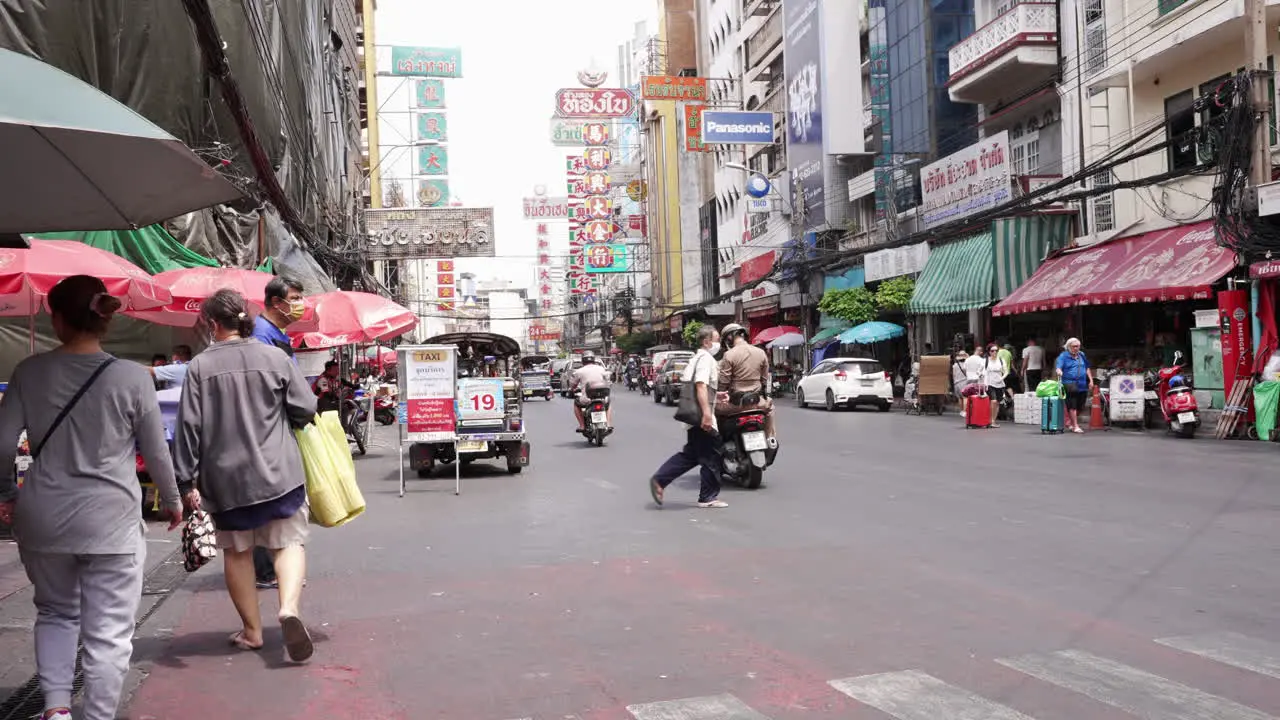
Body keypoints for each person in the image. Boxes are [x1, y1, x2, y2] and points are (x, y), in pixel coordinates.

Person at [0, 275, 182, 720]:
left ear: (58, 319)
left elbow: (3, 444)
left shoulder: (29, 372)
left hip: (42, 517)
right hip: (111, 522)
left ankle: (58, 709)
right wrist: (174, 500)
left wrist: (7, 493)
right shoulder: (131, 378)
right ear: (104, 320)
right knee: (108, 633)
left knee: (56, 613)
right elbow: (155, 450)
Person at [173, 289, 318, 661]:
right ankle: (288, 608)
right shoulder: (274, 357)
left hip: (226, 483)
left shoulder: (200, 368)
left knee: (237, 553)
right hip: (279, 474)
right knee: (287, 544)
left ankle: (252, 632)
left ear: (211, 324)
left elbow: (188, 428)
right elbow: (305, 406)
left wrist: (185, 482)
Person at [248, 276, 305, 589]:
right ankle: (268, 571)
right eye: (294, 298)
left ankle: (278, 567)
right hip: (268, 430)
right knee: (270, 506)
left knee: (279, 505)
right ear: (274, 302)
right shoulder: (262, 336)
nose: (298, 305)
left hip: (281, 428)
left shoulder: (278, 335)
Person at [648, 325, 728, 509]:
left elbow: (701, 388)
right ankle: (708, 497)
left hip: (694, 415)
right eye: (716, 340)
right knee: (712, 455)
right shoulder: (706, 359)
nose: (719, 344)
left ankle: (659, 480)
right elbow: (700, 386)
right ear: (707, 342)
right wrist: (707, 414)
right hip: (702, 415)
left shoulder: (695, 358)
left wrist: (718, 396)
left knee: (691, 455)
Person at [716, 323, 776, 441]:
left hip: (736, 405)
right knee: (771, 408)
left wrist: (719, 394)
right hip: (758, 403)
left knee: (713, 409)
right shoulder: (760, 352)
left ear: (729, 338)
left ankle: (719, 444)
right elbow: (764, 380)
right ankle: (770, 439)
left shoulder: (729, 355)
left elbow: (723, 384)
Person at [1055, 337, 1093, 434]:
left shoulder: (1082, 355)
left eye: (1078, 346)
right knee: (1072, 405)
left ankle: (1070, 421)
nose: (1077, 348)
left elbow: (1087, 368)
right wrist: (1059, 371)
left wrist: (1091, 381)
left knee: (1080, 405)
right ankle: (1075, 426)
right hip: (1069, 383)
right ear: (1068, 347)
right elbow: (1058, 367)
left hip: (1082, 384)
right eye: (1074, 346)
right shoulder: (1063, 356)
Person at [569, 351, 613, 431]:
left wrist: (572, 389)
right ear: (593, 360)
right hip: (602, 397)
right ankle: (608, 424)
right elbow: (608, 381)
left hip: (587, 399)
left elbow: (573, 385)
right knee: (608, 404)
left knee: (576, 404)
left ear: (583, 361)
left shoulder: (579, 371)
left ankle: (582, 425)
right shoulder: (601, 369)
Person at [984, 343, 1009, 428]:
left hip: (1000, 384)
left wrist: (1001, 378)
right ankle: (990, 420)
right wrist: (982, 379)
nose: (994, 352)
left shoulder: (1001, 360)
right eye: (992, 351)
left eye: (996, 350)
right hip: (989, 383)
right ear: (989, 352)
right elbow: (982, 371)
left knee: (997, 403)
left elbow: (1006, 371)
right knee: (993, 401)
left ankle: (993, 421)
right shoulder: (986, 360)